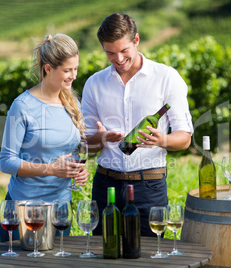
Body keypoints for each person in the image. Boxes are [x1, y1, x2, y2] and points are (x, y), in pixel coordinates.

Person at [81, 13, 193, 237]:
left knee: (150, 257)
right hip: (106, 186)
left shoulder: (166, 78)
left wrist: (162, 140)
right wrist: (100, 139)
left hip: (149, 187)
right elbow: (87, 146)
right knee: (105, 256)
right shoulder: (94, 84)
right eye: (110, 53)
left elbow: (185, 138)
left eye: (124, 51)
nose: (119, 59)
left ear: (137, 40)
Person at [0, 33, 89, 242]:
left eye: (75, 68)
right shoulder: (22, 106)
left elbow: (70, 152)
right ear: (48, 69)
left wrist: (78, 170)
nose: (73, 75)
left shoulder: (72, 103)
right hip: (25, 211)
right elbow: (6, 162)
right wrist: (50, 169)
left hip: (60, 211)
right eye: (67, 70)